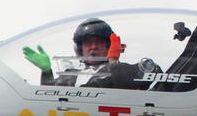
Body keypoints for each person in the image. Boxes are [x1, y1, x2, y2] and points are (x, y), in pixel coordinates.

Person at [22, 18, 152, 89]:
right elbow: (50, 99)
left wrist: (113, 62)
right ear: (80, 48)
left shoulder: (126, 70)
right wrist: (46, 72)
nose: (93, 47)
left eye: (98, 42)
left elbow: (147, 77)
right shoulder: (68, 76)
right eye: (88, 43)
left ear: (109, 45)